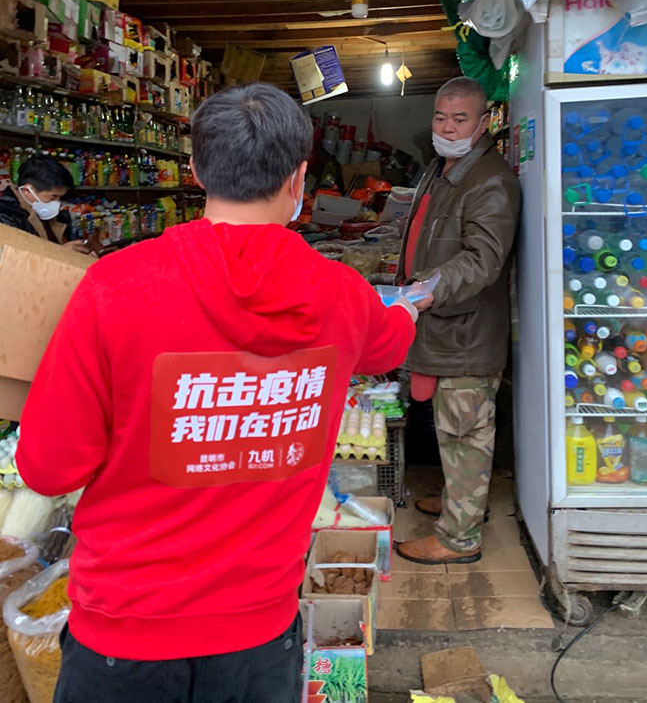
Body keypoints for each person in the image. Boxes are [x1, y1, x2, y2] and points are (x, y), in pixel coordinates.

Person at [16, 83, 431, 703]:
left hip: (125, 629)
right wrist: (408, 309)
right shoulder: (342, 295)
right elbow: (389, 344)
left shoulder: (115, 287)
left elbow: (49, 468)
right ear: (299, 178)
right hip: (258, 632)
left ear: (195, 170)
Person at [395, 76, 520, 567]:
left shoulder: (490, 180)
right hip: (444, 322)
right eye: (441, 117)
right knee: (453, 430)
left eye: (460, 118)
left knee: (466, 433)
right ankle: (460, 501)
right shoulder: (444, 167)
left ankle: (459, 538)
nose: (448, 127)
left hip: (465, 328)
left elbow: (482, 259)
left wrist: (426, 289)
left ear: (484, 122)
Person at [0, 155, 87, 251]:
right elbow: (12, 257)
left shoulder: (59, 216)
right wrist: (60, 252)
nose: (57, 203)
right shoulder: (6, 218)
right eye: (53, 197)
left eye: (60, 197)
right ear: (27, 191)